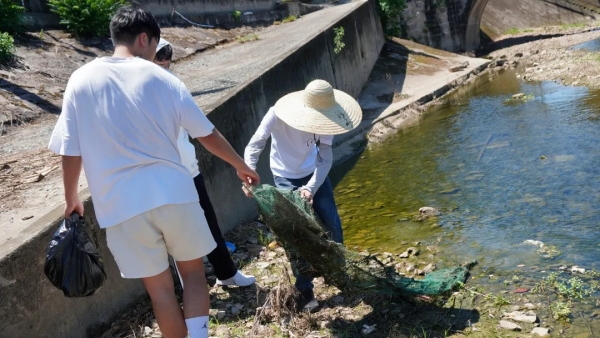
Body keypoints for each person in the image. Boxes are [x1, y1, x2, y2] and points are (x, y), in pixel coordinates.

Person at [48, 5, 259, 338]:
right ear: (144, 38)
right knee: (192, 276)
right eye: (154, 46)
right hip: (175, 194)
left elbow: (69, 148)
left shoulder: (80, 80)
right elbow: (205, 134)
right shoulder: (162, 78)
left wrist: (71, 197)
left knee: (160, 290)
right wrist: (240, 165)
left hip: (119, 208)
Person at [243, 79, 362, 312]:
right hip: (284, 177)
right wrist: (248, 174)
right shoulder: (277, 113)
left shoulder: (328, 119)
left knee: (331, 223)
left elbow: (325, 157)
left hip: (314, 173)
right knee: (296, 234)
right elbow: (254, 145)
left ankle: (339, 272)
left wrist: (311, 187)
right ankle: (304, 288)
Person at [154, 38, 255, 287]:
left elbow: (202, 130)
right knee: (176, 239)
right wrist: (240, 165)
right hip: (163, 178)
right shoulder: (135, 90)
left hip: (189, 169)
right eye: (160, 59)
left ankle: (227, 274)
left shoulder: (172, 86)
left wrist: (239, 165)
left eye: (167, 61)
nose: (165, 65)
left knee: (208, 223)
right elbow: (207, 134)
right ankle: (190, 293)